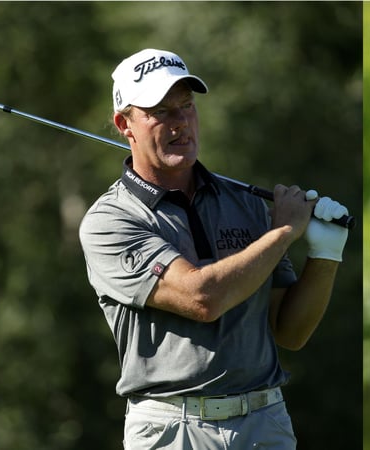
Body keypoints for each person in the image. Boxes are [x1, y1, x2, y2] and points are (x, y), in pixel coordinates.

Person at [78, 48, 349, 450]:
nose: (180, 122)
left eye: (186, 107)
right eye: (161, 111)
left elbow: (290, 332)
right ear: (125, 124)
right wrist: (282, 234)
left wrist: (326, 256)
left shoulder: (243, 202)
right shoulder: (111, 221)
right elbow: (201, 298)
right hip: (171, 430)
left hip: (264, 422)